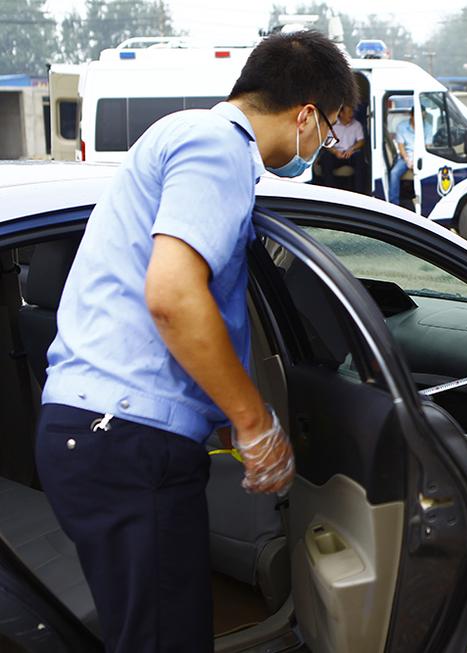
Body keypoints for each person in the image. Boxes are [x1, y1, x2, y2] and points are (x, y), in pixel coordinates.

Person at [34, 30, 356, 652]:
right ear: (307, 114)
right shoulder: (218, 147)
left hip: (101, 432)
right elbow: (174, 295)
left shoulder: (181, 134)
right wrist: (254, 424)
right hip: (125, 439)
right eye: (331, 129)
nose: (327, 145)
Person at [314, 103, 367, 192]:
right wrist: (335, 152)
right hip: (336, 154)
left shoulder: (356, 124)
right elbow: (326, 143)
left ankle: (360, 192)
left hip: (351, 154)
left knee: (360, 158)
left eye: (352, 111)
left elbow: (361, 141)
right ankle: (331, 191)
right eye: (349, 112)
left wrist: (352, 149)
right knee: (326, 159)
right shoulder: (332, 125)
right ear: (341, 114)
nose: (352, 114)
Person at [389, 111, 415, 207]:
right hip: (406, 156)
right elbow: (401, 147)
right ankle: (394, 204)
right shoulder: (401, 127)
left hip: (421, 156)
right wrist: (408, 160)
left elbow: (428, 145)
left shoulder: (427, 126)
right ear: (412, 116)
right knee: (394, 173)